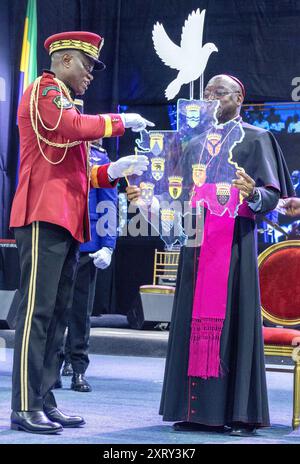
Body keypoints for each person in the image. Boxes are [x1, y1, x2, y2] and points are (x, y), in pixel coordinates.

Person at [127, 74, 294, 437]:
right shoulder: (192, 144)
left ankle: (238, 414)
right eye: (206, 94)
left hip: (233, 246)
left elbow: (271, 198)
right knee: (189, 323)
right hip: (196, 246)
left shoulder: (257, 138)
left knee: (233, 321)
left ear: (239, 98)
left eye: (219, 93)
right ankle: (194, 411)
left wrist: (252, 194)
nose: (211, 99)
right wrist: (149, 204)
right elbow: (177, 199)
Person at [9, 30, 153, 434]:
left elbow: (79, 171)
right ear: (66, 59)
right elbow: (70, 127)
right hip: (43, 213)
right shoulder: (45, 89)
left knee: (58, 317)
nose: (91, 74)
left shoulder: (66, 102)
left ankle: (44, 400)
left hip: (70, 218)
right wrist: (119, 121)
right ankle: (23, 404)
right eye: (88, 65)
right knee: (37, 313)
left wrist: (114, 172)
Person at [59, 139, 118, 392]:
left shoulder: (99, 158)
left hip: (88, 242)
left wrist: (108, 245)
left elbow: (107, 203)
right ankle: (53, 365)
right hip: (60, 238)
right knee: (56, 307)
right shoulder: (59, 151)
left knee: (81, 311)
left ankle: (78, 367)